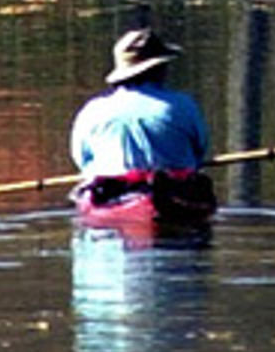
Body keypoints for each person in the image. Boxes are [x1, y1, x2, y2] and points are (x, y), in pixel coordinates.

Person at [70, 26, 214, 227]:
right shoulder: (183, 105)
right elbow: (200, 152)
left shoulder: (91, 111)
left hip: (115, 197)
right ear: (159, 69)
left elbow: (84, 163)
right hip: (176, 194)